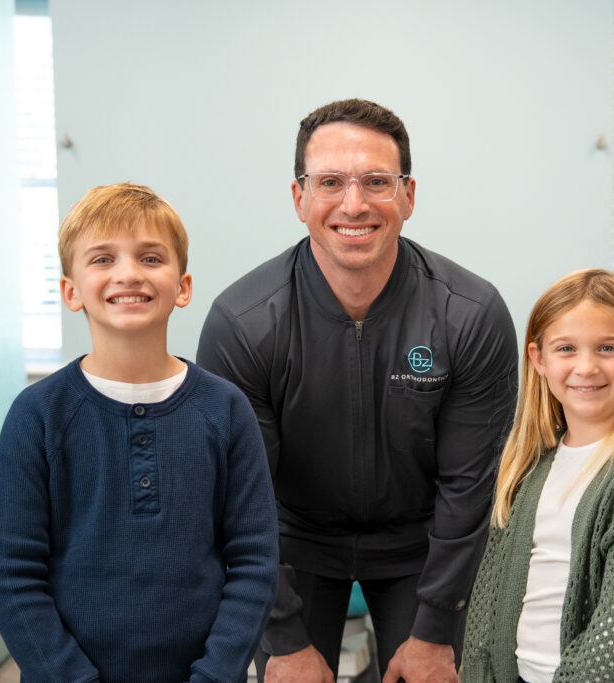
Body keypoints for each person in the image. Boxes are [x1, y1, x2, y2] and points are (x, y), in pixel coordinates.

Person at [197, 99, 519, 683]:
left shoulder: (469, 315)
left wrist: (435, 631)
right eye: (330, 182)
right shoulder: (243, 323)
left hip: (422, 546)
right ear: (299, 199)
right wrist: (284, 638)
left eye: (376, 181)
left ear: (408, 196)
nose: (354, 203)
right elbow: (241, 499)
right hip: (293, 543)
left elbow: (469, 489)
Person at [0, 183, 279, 683]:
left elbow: (253, 561)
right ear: (70, 291)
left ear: (182, 286)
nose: (128, 274)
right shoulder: (36, 415)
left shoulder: (226, 410)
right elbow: (13, 578)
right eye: (102, 259)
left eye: (150, 257)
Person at [461, 268, 614, 683]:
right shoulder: (532, 464)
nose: (585, 367)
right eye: (566, 348)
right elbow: (489, 599)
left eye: (607, 348)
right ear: (539, 359)